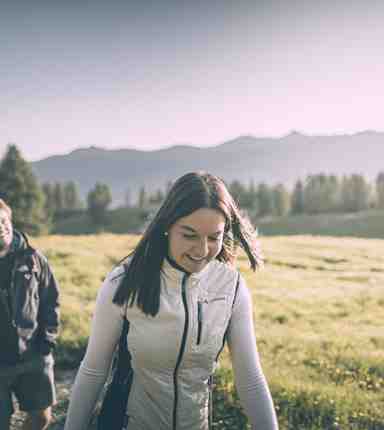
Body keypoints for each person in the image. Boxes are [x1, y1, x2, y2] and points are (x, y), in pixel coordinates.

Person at [64, 172, 279, 430]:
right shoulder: (124, 281)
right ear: (167, 226)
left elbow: (251, 380)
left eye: (213, 237)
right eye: (189, 235)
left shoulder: (232, 289)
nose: (202, 251)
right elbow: (93, 371)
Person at [0, 199, 60, 430]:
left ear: (10, 221)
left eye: (3, 221)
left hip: (33, 356)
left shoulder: (33, 259)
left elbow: (51, 299)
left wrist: (48, 340)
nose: (0, 227)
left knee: (41, 419)